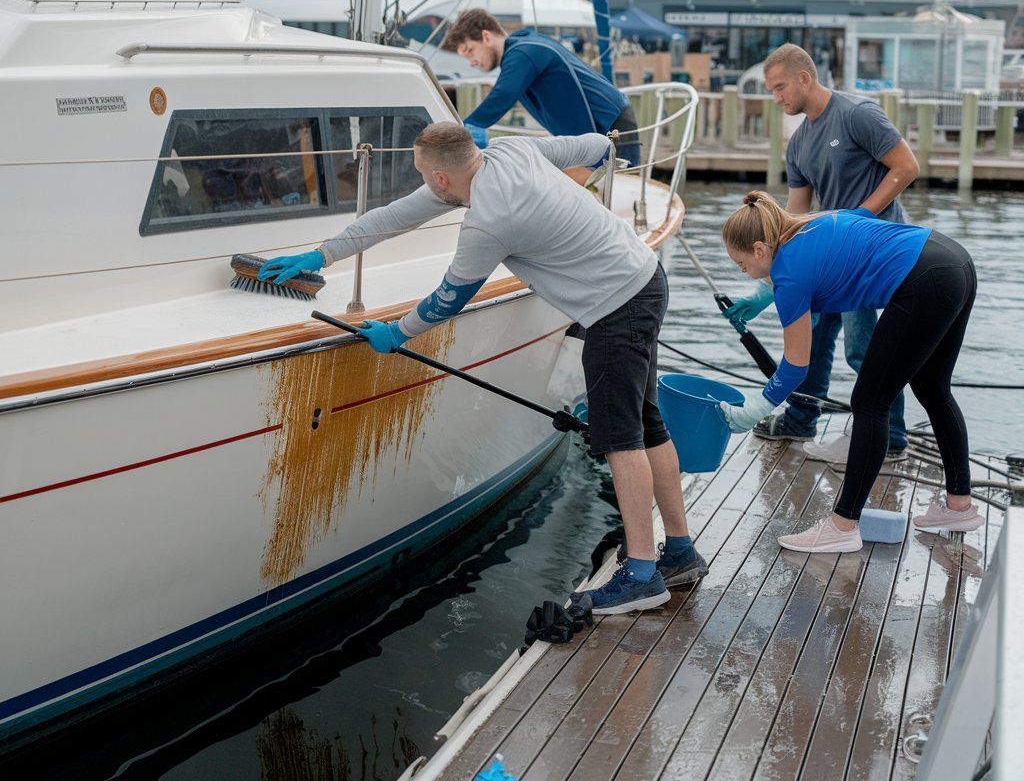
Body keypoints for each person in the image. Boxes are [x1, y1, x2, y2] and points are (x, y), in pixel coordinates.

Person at [258, 123, 706, 613]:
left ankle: (642, 574)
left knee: (621, 439)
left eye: (423, 174)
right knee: (646, 424)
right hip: (644, 277)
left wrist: (397, 333)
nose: (423, 184)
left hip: (614, 308)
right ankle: (679, 551)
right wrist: (322, 253)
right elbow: (599, 147)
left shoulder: (488, 223)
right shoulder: (513, 150)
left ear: (441, 178)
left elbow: (448, 299)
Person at [718, 191, 979, 553]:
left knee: (870, 402)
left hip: (923, 282)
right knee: (933, 389)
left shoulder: (789, 277)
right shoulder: (812, 222)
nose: (743, 271)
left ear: (760, 249)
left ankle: (842, 526)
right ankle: (959, 507)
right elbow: (854, 231)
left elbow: (795, 367)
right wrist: (766, 296)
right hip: (953, 261)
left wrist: (755, 409)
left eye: (741, 264)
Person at [725, 43, 920, 462]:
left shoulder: (857, 114)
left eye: (780, 87)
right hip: (826, 261)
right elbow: (792, 220)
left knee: (862, 350)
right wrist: (765, 290)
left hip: (870, 257)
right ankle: (801, 420)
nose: (776, 98)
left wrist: (858, 218)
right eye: (771, 90)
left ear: (804, 77)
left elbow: (906, 167)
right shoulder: (798, 145)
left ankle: (891, 437)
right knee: (810, 339)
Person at [442, 9, 642, 167]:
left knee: (624, 191)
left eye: (470, 51)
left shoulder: (523, 52)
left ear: (486, 37)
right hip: (604, 125)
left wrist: (464, 131)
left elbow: (503, 94)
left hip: (611, 123)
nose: (472, 62)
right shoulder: (524, 47)